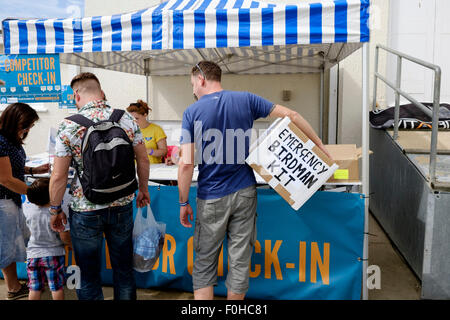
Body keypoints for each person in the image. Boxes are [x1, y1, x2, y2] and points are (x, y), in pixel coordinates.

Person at [177, 61, 332, 300]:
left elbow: (186, 163)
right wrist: (319, 145)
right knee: (240, 260)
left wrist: (183, 202)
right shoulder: (246, 99)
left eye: (192, 85)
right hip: (244, 191)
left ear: (201, 79)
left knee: (205, 263)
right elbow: (292, 115)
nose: (193, 91)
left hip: (211, 196)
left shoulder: (191, 112)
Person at [49, 72, 150, 300]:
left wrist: (55, 210)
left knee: (88, 275)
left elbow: (58, 176)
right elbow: (143, 159)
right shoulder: (125, 118)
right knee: (123, 270)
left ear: (76, 95)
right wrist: (143, 189)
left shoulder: (68, 126)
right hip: (122, 203)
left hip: (86, 208)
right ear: (101, 92)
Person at [0, 102, 50, 300]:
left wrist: (32, 170)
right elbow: (5, 178)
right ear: (15, 122)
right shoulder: (1, 141)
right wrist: (36, 194)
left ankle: (25, 282)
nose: (28, 130)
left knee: (17, 240)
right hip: (3, 200)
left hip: (12, 199)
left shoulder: (11, 139)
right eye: (26, 126)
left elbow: (12, 168)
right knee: (7, 245)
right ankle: (13, 288)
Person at [24, 177, 71, 300]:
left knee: (34, 287)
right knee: (56, 287)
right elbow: (64, 236)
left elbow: (25, 232)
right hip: (53, 254)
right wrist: (70, 244)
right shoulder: (56, 214)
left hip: (33, 255)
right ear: (52, 195)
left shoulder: (29, 212)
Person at [127, 100, 168, 164]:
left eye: (136, 118)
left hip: (153, 168)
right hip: (134, 168)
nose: (134, 121)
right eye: (131, 119)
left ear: (145, 115)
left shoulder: (156, 129)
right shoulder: (128, 130)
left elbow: (164, 152)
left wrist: (148, 151)